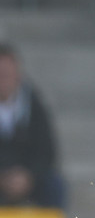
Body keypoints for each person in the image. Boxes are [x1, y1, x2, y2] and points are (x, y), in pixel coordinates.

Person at [0, 43, 66, 209]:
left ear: (18, 75)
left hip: (29, 178)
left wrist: (28, 176)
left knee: (55, 186)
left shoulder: (34, 106)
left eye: (7, 74)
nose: (3, 79)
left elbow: (47, 149)